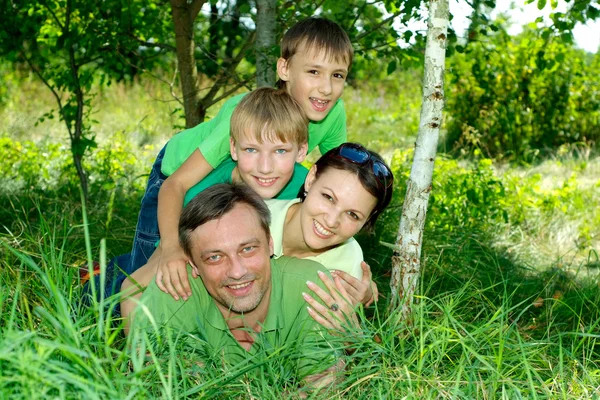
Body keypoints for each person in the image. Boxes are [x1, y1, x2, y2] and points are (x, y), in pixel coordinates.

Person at [128, 17, 353, 288]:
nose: (326, 88)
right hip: (178, 174)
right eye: (313, 72)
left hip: (248, 177)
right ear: (284, 68)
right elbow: (177, 185)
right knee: (156, 265)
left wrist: (354, 268)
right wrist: (172, 248)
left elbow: (341, 185)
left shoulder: (333, 113)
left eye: (337, 75)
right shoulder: (244, 113)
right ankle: (104, 287)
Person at [153, 143, 394, 330]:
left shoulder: (348, 264)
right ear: (311, 179)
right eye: (328, 198)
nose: (331, 221)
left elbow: (340, 342)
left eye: (352, 215)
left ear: (367, 220)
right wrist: (170, 251)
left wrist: (355, 314)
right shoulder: (255, 217)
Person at [130, 184, 345, 387]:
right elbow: (166, 385)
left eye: (248, 249)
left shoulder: (311, 286)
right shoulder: (174, 290)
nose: (237, 271)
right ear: (193, 263)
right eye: (215, 257)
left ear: (270, 243)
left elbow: (325, 386)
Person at [119, 87, 309, 315]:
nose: (265, 167)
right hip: (212, 265)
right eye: (251, 149)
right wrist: (172, 250)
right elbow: (132, 290)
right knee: (127, 286)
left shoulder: (307, 188)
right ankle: (101, 280)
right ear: (233, 149)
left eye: (280, 151)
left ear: (300, 152)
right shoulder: (203, 194)